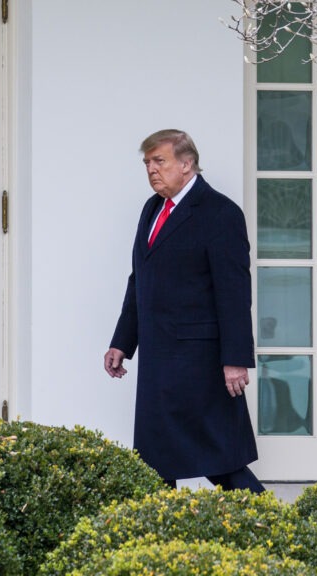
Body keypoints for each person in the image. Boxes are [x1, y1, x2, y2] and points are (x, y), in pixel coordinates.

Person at [104, 129, 264, 493]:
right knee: (153, 463)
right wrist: (122, 343)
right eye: (147, 163)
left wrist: (236, 359)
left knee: (223, 463)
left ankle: (278, 530)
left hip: (200, 362)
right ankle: (156, 542)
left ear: (187, 164)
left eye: (159, 161)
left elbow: (235, 292)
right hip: (159, 362)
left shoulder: (220, 213)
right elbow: (139, 280)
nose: (152, 170)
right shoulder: (152, 209)